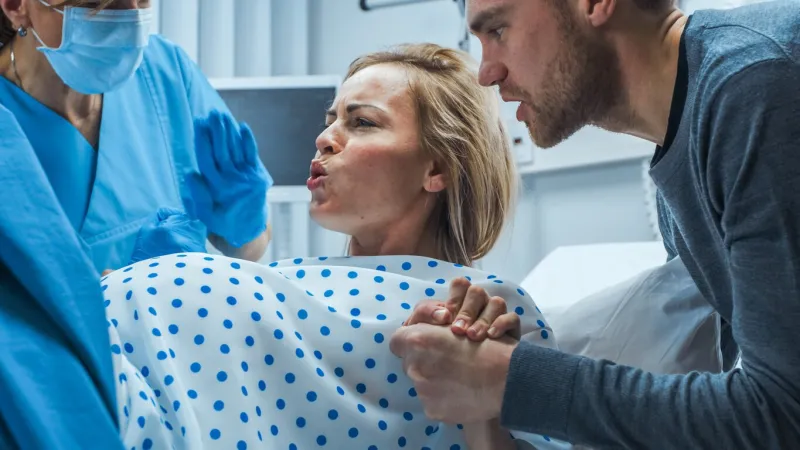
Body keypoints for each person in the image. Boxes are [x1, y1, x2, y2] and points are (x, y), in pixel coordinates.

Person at [99, 43, 565, 450]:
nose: (324, 139)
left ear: (437, 169)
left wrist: (481, 396)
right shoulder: (291, 280)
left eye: (361, 122)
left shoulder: (489, 309)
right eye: (331, 121)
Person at [392, 0, 800, 448]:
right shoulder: (686, 142)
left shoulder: (754, 86)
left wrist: (510, 380)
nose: (487, 73)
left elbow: (781, 415)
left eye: (499, 31)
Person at [0, 0, 273, 273]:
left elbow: (251, 248)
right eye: (97, 5)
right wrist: (123, 294)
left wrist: (244, 226)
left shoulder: (166, 70)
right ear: (15, 6)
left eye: (141, 1)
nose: (129, 20)